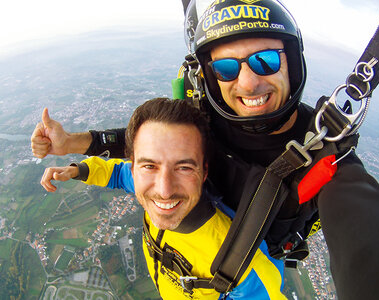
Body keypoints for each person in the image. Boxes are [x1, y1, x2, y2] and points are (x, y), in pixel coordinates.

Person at [32, 0, 379, 298]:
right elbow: (140, 155)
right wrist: (72, 149)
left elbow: (370, 240)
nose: (249, 81)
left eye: (265, 60)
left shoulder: (326, 154)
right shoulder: (200, 119)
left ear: (291, 62)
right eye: (225, 68)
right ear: (209, 78)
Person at [40, 98, 287, 299]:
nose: (164, 190)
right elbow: (116, 172)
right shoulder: (139, 179)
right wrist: (78, 170)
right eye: (149, 166)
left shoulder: (245, 265)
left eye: (184, 168)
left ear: (204, 172)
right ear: (135, 167)